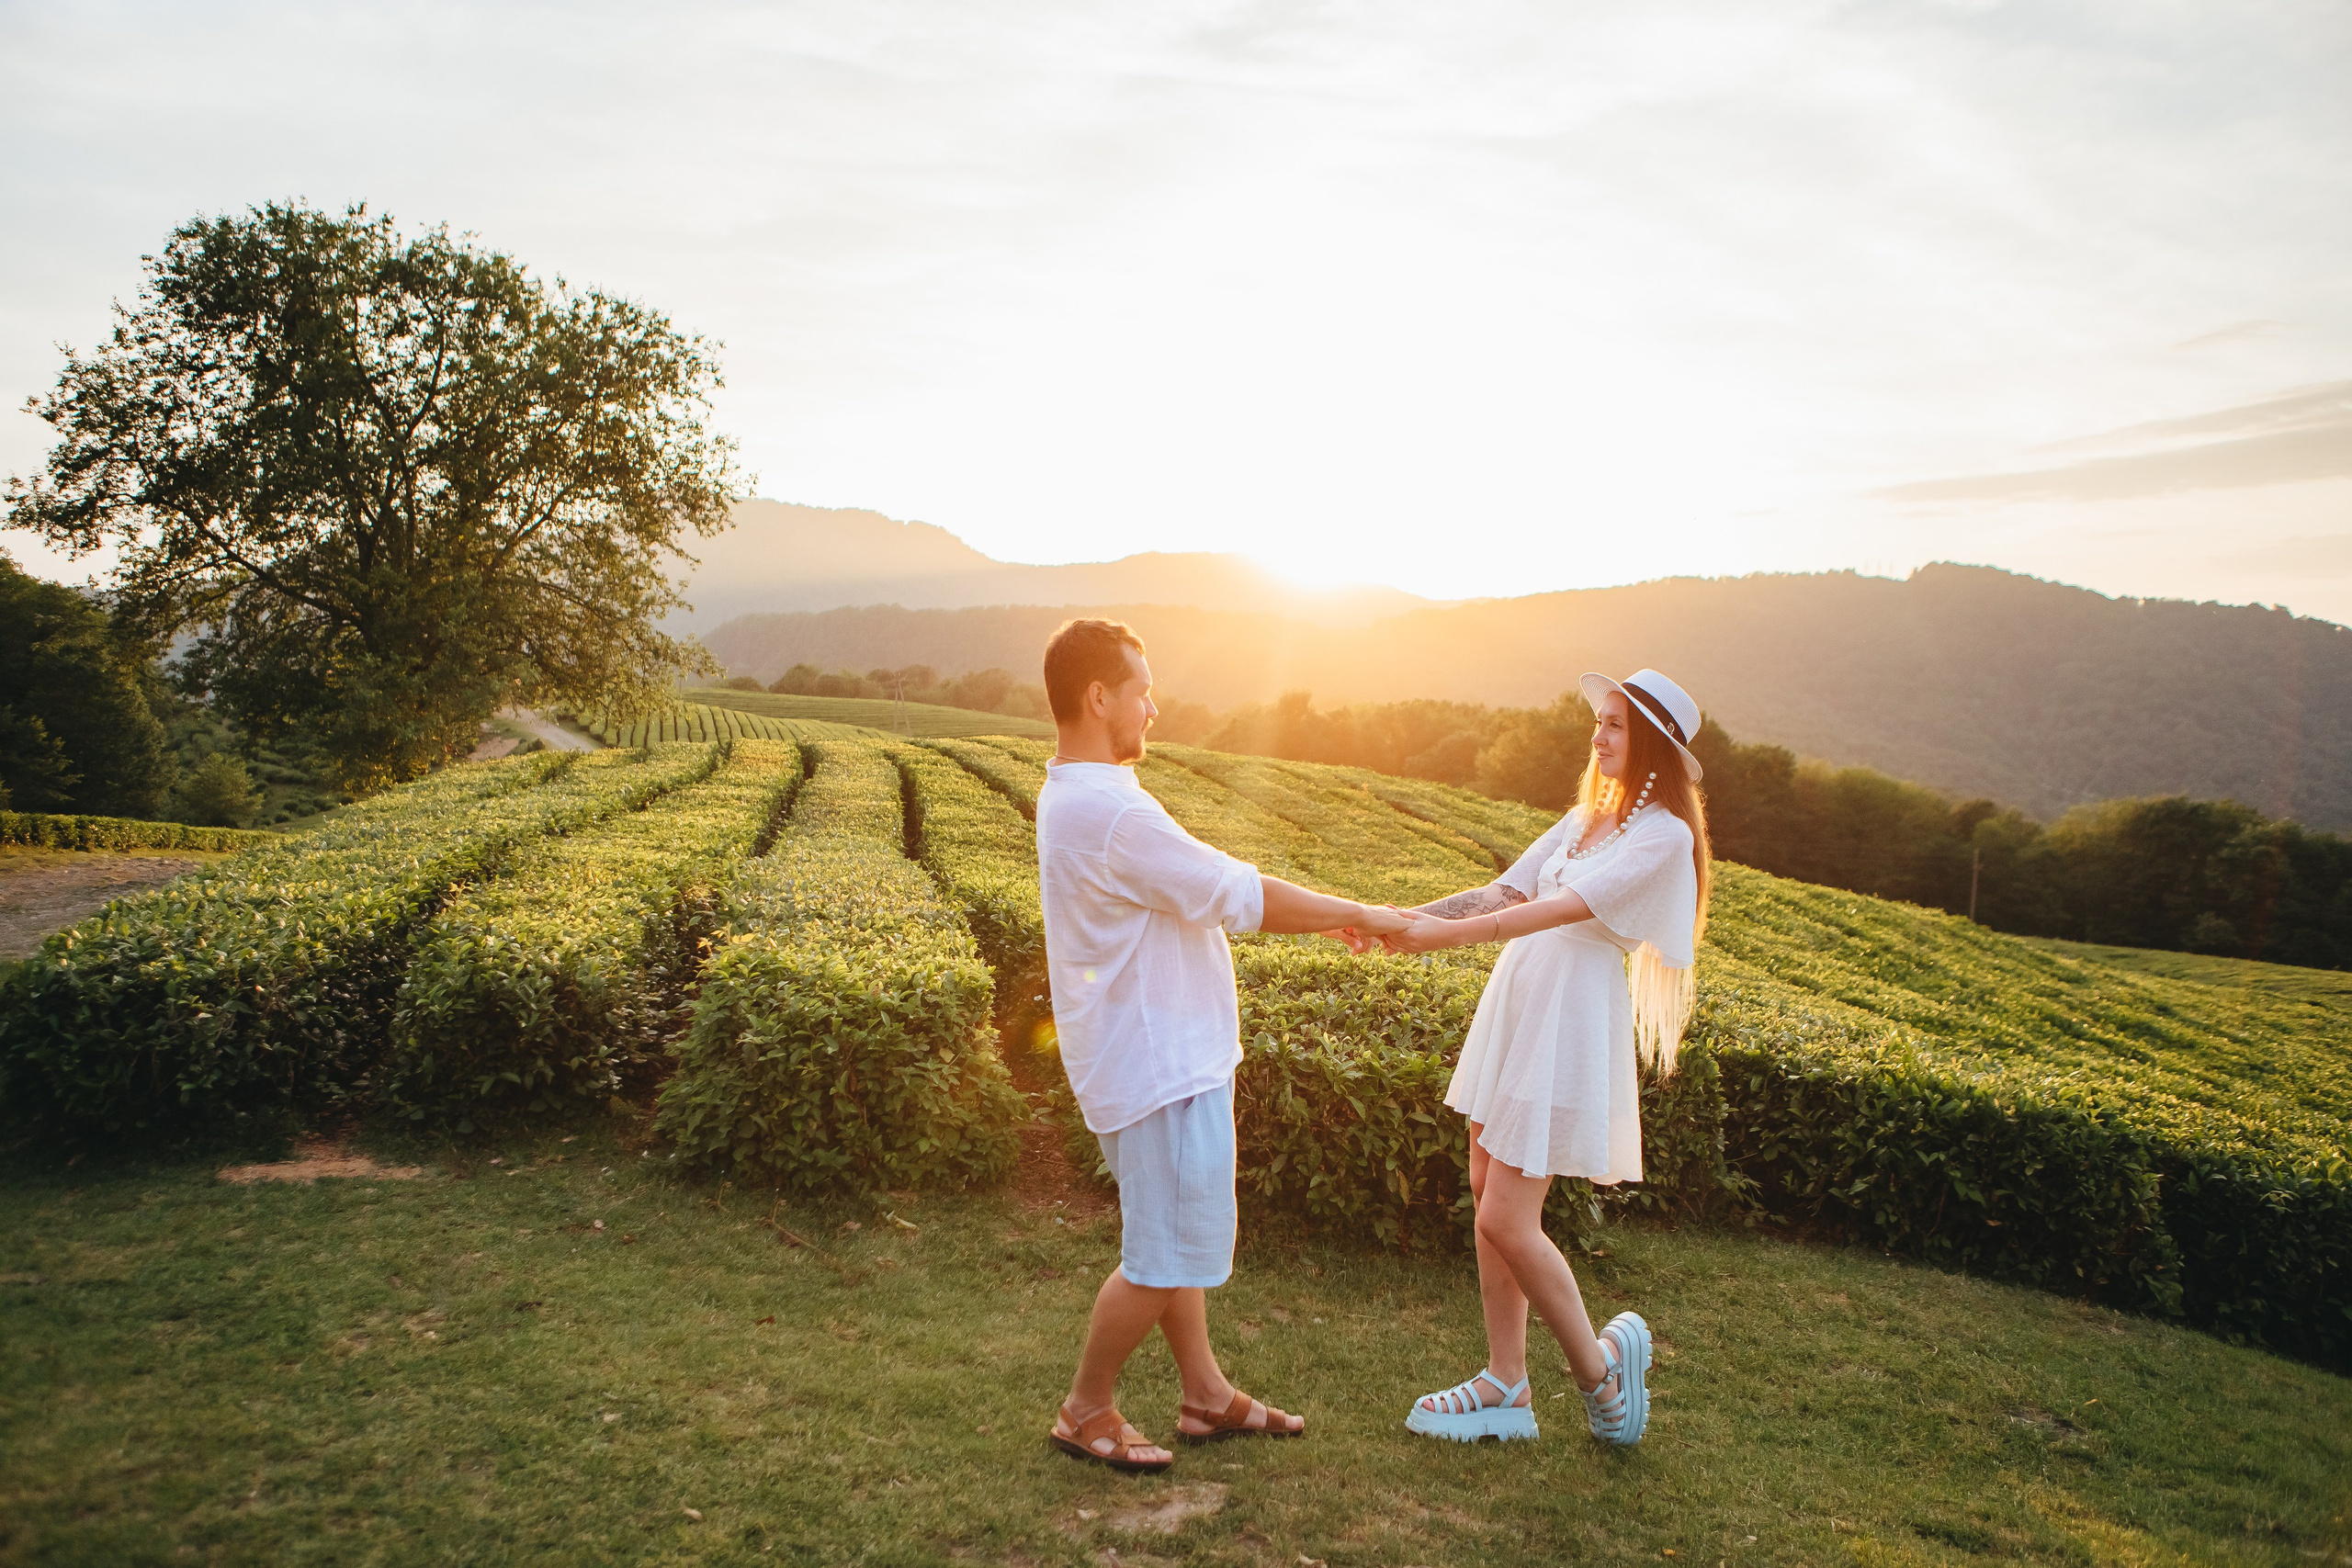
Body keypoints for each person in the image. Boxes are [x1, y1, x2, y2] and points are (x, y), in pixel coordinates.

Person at [1036, 618, 1412, 1473]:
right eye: (1142, 691)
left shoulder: (1077, 791)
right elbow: (1232, 890)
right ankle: (1085, 1405)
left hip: (1151, 1053)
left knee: (1175, 1237)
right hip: (1158, 1060)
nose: (1153, 708)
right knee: (1163, 1255)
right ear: (1100, 697)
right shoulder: (1110, 809)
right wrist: (1361, 913)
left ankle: (1204, 1392)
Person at [1379, 669, 1712, 1448]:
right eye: (1599, 720)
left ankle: (1600, 1377)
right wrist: (1395, 920)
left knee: (1506, 1214)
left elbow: (1554, 910)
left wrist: (1434, 938)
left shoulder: (1664, 836)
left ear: (1655, 746)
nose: (1598, 736)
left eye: (1617, 725)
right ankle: (1507, 1382)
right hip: (1522, 998)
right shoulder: (1581, 819)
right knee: (1483, 1184)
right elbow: (1503, 891)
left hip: (1569, 1016)